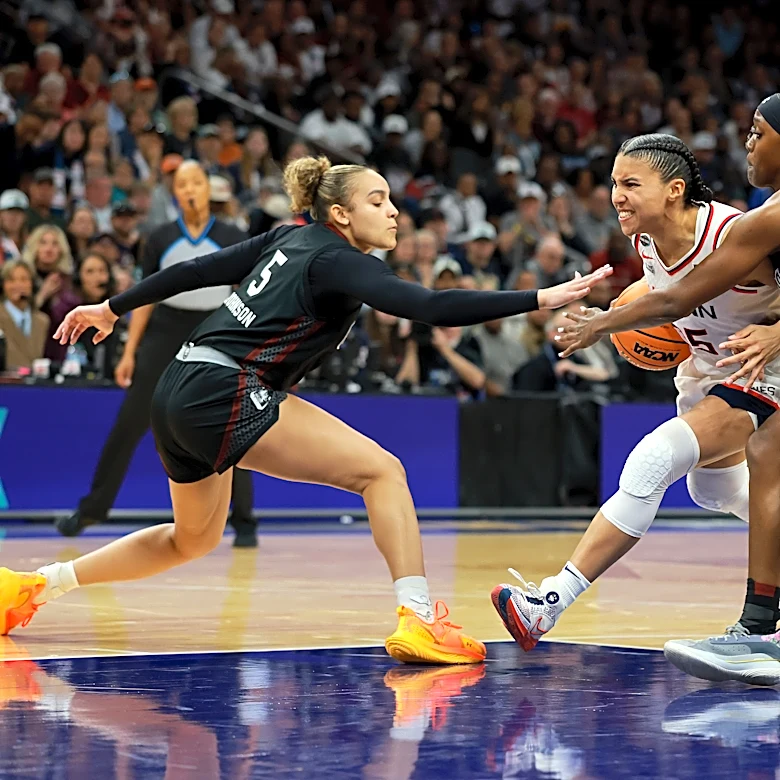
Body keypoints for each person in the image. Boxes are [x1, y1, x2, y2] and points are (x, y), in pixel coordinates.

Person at [0, 156, 612, 664]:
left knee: (192, 539)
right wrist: (539, 297)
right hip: (226, 387)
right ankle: (420, 618)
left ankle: (34, 586)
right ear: (340, 213)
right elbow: (429, 306)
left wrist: (112, 307)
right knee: (383, 473)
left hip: (180, 384)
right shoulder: (337, 259)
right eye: (377, 200)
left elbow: (193, 270)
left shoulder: (288, 238)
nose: (394, 211)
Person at [491, 132, 780, 651]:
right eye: (613, 184)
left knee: (653, 459)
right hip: (707, 370)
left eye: (630, 184)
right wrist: (627, 321)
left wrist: (604, 323)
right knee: (713, 491)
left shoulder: (734, 232)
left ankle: (548, 604)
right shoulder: (646, 240)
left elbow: (675, 302)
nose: (616, 196)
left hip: (761, 368)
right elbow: (666, 299)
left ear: (673, 190)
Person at [56, 161, 258, 549]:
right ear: (174, 193)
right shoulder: (160, 237)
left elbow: (248, 295)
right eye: (182, 185)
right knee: (130, 422)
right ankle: (93, 508)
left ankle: (245, 520)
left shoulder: (233, 236)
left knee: (231, 422)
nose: (190, 190)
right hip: (164, 330)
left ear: (208, 188)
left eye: (196, 182)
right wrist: (129, 352)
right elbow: (146, 297)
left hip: (216, 329)